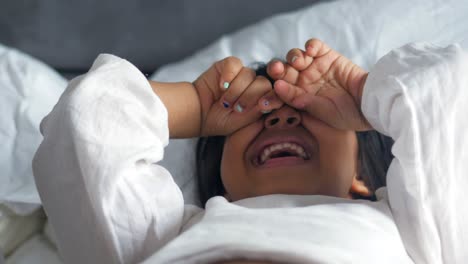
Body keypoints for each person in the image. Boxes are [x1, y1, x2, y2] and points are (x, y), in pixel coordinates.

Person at [33, 39, 468, 264]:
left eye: (301, 109)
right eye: (258, 113)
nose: (278, 119)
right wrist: (194, 105)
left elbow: (447, 94)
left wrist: (363, 95)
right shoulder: (168, 232)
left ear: (361, 170)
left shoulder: (412, 231)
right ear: (221, 176)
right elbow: (86, 124)